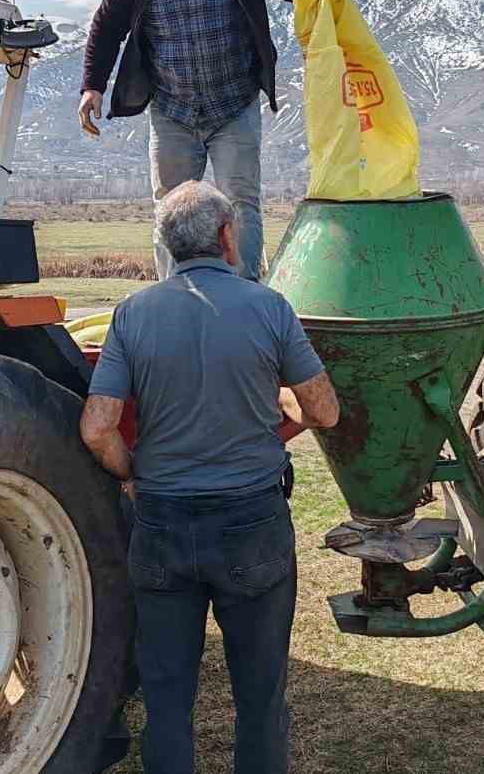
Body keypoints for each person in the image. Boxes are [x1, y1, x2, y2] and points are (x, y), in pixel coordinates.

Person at [79, 181, 340, 774]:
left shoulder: (133, 313)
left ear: (168, 244)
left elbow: (97, 427)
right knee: (260, 697)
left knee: (167, 701)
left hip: (161, 525)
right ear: (226, 236)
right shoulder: (269, 308)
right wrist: (274, 406)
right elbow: (324, 411)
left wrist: (133, 473)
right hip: (252, 522)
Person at [77, 0, 325, 281]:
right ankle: (173, 297)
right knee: (169, 206)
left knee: (240, 202)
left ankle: (244, 295)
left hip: (234, 104)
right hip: (171, 109)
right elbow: (108, 23)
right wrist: (91, 86)